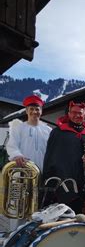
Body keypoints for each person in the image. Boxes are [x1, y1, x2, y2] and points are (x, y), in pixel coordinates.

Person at [6, 95, 52, 231]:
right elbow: (12, 145)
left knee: (37, 206)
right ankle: (14, 235)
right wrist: (17, 155)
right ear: (26, 111)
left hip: (41, 174)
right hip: (21, 172)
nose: (34, 112)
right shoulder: (18, 127)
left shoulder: (48, 130)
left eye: (37, 109)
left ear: (41, 111)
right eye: (31, 109)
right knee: (19, 205)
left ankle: (32, 234)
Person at [43, 101, 85, 214]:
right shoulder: (58, 132)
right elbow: (50, 158)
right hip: (62, 184)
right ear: (68, 113)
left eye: (80, 113)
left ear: (84, 114)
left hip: (82, 184)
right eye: (74, 112)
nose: (77, 115)